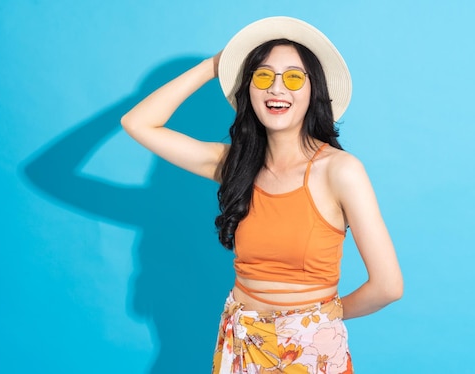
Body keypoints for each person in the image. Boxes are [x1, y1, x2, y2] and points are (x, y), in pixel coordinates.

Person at [121, 16, 402, 374]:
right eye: (264, 76)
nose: (277, 89)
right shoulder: (235, 164)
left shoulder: (340, 170)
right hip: (238, 342)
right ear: (248, 89)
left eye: (294, 78)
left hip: (307, 349)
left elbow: (388, 286)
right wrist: (214, 65)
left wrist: (313, 321)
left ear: (313, 90)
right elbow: (138, 123)